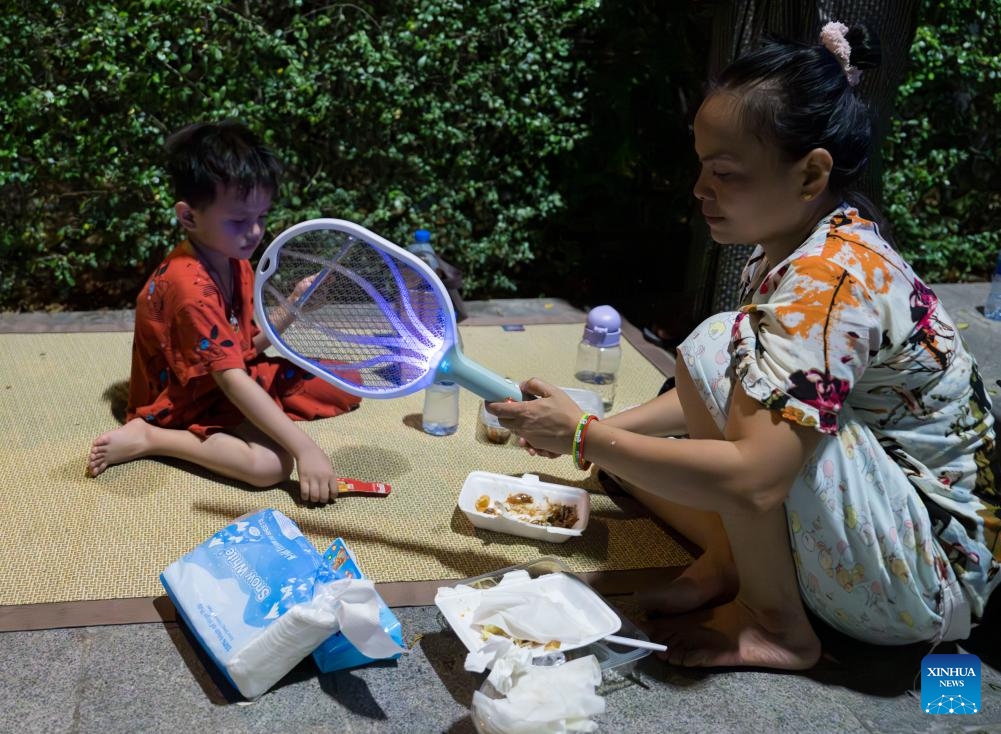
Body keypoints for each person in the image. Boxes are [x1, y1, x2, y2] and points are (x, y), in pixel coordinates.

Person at [487, 23, 998, 670]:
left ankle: (775, 623)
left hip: (926, 585)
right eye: (701, 168)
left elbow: (757, 476)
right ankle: (729, 565)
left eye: (724, 173)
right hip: (898, 549)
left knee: (711, 352)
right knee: (658, 431)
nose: (700, 190)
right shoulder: (810, 247)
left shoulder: (828, 280)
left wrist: (585, 436)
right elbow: (740, 389)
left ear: (811, 173)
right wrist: (603, 434)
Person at [87, 120, 360, 504]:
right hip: (182, 398)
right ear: (188, 217)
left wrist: (294, 305)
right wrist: (306, 450)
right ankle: (151, 437)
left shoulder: (233, 258)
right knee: (271, 466)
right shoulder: (189, 287)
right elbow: (232, 377)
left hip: (221, 377)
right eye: (238, 220)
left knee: (343, 381)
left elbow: (243, 346)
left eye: (262, 217)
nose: (254, 232)